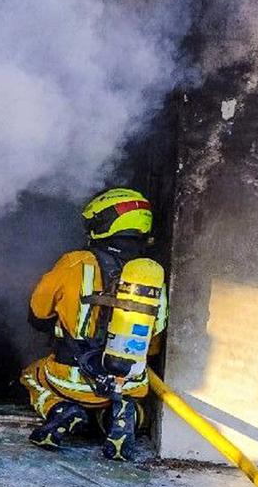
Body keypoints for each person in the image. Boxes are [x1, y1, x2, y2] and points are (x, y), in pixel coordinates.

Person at [20, 187, 168, 461]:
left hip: (72, 379)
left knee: (31, 375)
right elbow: (155, 343)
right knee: (135, 402)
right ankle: (123, 417)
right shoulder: (151, 275)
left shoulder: (74, 262)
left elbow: (38, 314)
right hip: (128, 381)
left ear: (103, 224)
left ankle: (60, 410)